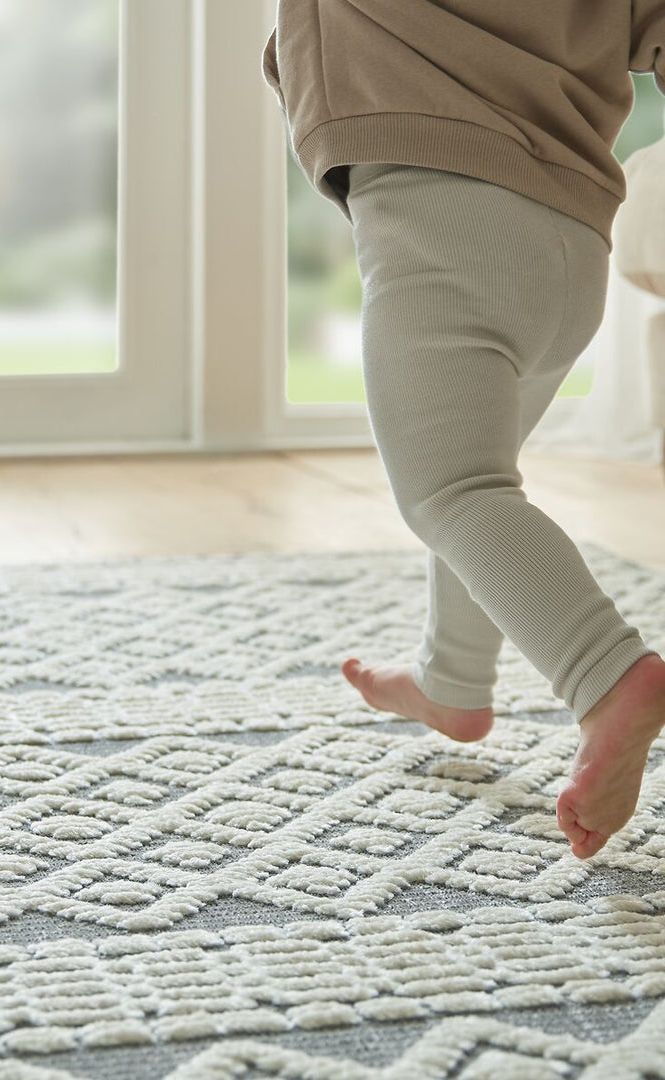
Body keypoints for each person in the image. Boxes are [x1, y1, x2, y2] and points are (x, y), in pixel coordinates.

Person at [262, 0, 665, 860]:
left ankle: (606, 673)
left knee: (452, 488)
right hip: (573, 233)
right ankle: (452, 680)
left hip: (440, 204)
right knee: (482, 481)